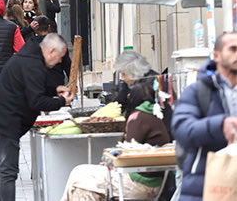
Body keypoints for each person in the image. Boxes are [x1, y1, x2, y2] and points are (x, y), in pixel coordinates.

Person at [61, 61, 170, 200]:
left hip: (139, 181)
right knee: (78, 173)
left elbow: (127, 152)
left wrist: (110, 160)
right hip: (146, 179)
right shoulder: (153, 115)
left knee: (81, 183)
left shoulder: (139, 117)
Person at [0, 34, 73, 201]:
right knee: (8, 172)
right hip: (5, 120)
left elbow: (32, 87)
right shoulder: (33, 64)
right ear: (51, 51)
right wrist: (61, 101)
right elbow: (36, 101)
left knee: (0, 170)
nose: (60, 62)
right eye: (60, 58)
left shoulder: (29, 57)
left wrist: (54, 90)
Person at [171, 32, 237, 201]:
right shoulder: (198, 91)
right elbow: (181, 129)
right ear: (216, 55)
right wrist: (219, 125)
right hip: (205, 185)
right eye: (233, 49)